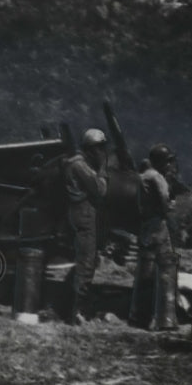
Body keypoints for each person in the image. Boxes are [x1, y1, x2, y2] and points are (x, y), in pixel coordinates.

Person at [63, 128, 109, 323]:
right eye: (99, 148)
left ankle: (78, 309)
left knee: (86, 261)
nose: (101, 152)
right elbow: (100, 190)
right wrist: (103, 168)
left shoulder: (75, 163)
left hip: (81, 214)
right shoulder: (80, 166)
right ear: (91, 148)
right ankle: (77, 312)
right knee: (86, 263)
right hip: (84, 215)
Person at [129, 143, 177, 329]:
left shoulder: (142, 176)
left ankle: (138, 315)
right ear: (161, 162)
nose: (169, 165)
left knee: (144, 269)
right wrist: (171, 207)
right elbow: (165, 202)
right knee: (165, 267)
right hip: (158, 225)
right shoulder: (157, 177)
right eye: (167, 162)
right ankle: (165, 318)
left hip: (146, 226)